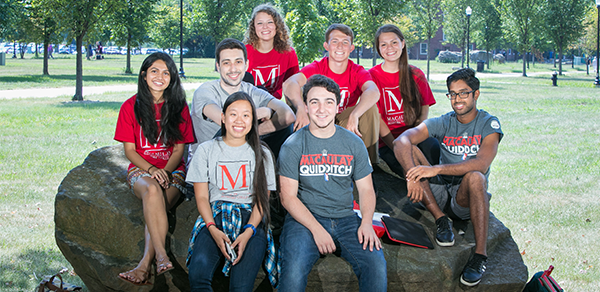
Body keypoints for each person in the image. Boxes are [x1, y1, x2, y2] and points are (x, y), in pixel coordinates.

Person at [393, 68, 503, 286]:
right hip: (439, 193)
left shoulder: (488, 124)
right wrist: (412, 176)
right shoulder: (444, 121)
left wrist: (436, 169)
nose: (457, 99)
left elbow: (481, 164)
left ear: (476, 94)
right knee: (410, 149)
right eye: (452, 94)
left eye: (463, 93)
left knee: (476, 177)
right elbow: (401, 141)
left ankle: (480, 256)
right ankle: (441, 219)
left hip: (464, 198)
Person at [278, 75, 387, 291]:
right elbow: (287, 197)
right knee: (292, 273)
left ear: (338, 106)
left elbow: (366, 189)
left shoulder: (353, 142)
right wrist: (317, 229)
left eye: (328, 102)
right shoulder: (293, 145)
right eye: (314, 102)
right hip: (305, 220)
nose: (321, 109)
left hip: (346, 218)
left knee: (376, 265)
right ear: (306, 107)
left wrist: (366, 222)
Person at [115, 52, 195, 285]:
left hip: (173, 171)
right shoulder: (130, 106)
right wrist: (152, 170)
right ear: (143, 75)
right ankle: (161, 254)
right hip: (142, 170)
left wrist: (166, 172)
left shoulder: (179, 107)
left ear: (172, 78)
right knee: (152, 191)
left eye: (166, 72)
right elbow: (129, 151)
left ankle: (143, 266)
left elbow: (180, 151)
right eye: (154, 71)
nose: (160, 76)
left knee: (157, 202)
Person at [186, 92, 278, 291]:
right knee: (198, 277)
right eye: (233, 114)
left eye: (246, 115)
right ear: (223, 117)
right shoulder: (206, 150)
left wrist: (248, 232)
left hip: (250, 220)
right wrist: (212, 228)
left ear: (253, 120)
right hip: (216, 216)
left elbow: (262, 201)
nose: (239, 120)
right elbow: (201, 196)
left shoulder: (263, 153)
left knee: (241, 287)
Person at [282, 24, 381, 163]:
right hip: (320, 116)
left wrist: (355, 114)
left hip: (345, 118)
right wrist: (300, 107)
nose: (340, 46)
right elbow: (289, 84)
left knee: (370, 108)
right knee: (298, 101)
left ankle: (368, 163)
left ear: (351, 48)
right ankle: (306, 157)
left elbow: (373, 91)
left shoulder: (357, 71)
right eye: (335, 41)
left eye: (345, 42)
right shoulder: (317, 67)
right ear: (326, 46)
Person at [189, 38, 295, 161]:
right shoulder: (205, 92)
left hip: (241, 160)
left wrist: (256, 132)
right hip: (210, 162)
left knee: (283, 126)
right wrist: (265, 112)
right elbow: (228, 122)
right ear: (218, 66)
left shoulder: (252, 91)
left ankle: (274, 173)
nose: (233, 69)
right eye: (226, 63)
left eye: (238, 62)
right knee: (227, 131)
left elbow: (288, 116)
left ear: (246, 65)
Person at [369, 24, 438, 178]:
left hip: (415, 136)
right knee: (410, 170)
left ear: (403, 43)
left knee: (433, 150)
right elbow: (377, 119)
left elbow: (424, 108)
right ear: (378, 49)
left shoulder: (416, 74)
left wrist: (414, 138)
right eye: (383, 44)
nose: (390, 48)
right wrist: (397, 146)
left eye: (394, 42)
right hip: (388, 141)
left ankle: (445, 196)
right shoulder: (371, 77)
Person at [244, 4, 299, 100]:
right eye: (260, 23)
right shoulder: (244, 52)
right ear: (254, 27)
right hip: (247, 105)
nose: (265, 27)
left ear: (277, 26)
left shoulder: (288, 53)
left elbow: (293, 87)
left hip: (274, 107)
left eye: (270, 22)